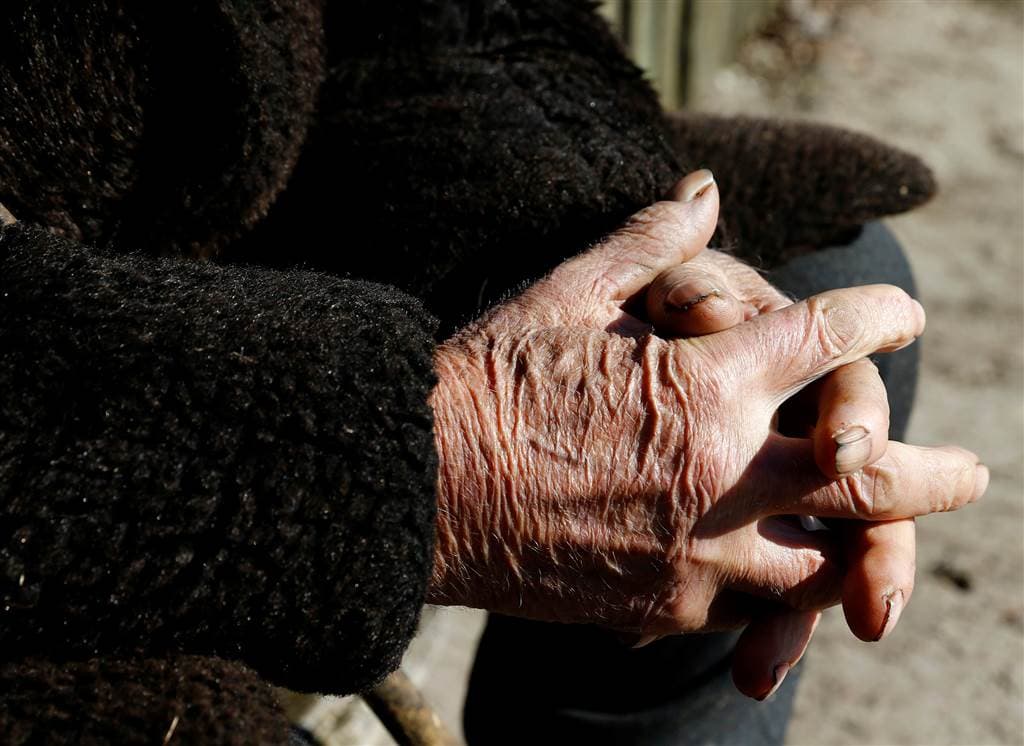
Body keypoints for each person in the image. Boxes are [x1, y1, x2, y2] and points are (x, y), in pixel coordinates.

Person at [0, 1, 986, 743]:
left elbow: (442, 19)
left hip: (173, 233)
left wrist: (602, 265)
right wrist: (404, 467)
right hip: (60, 452)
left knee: (805, 322)